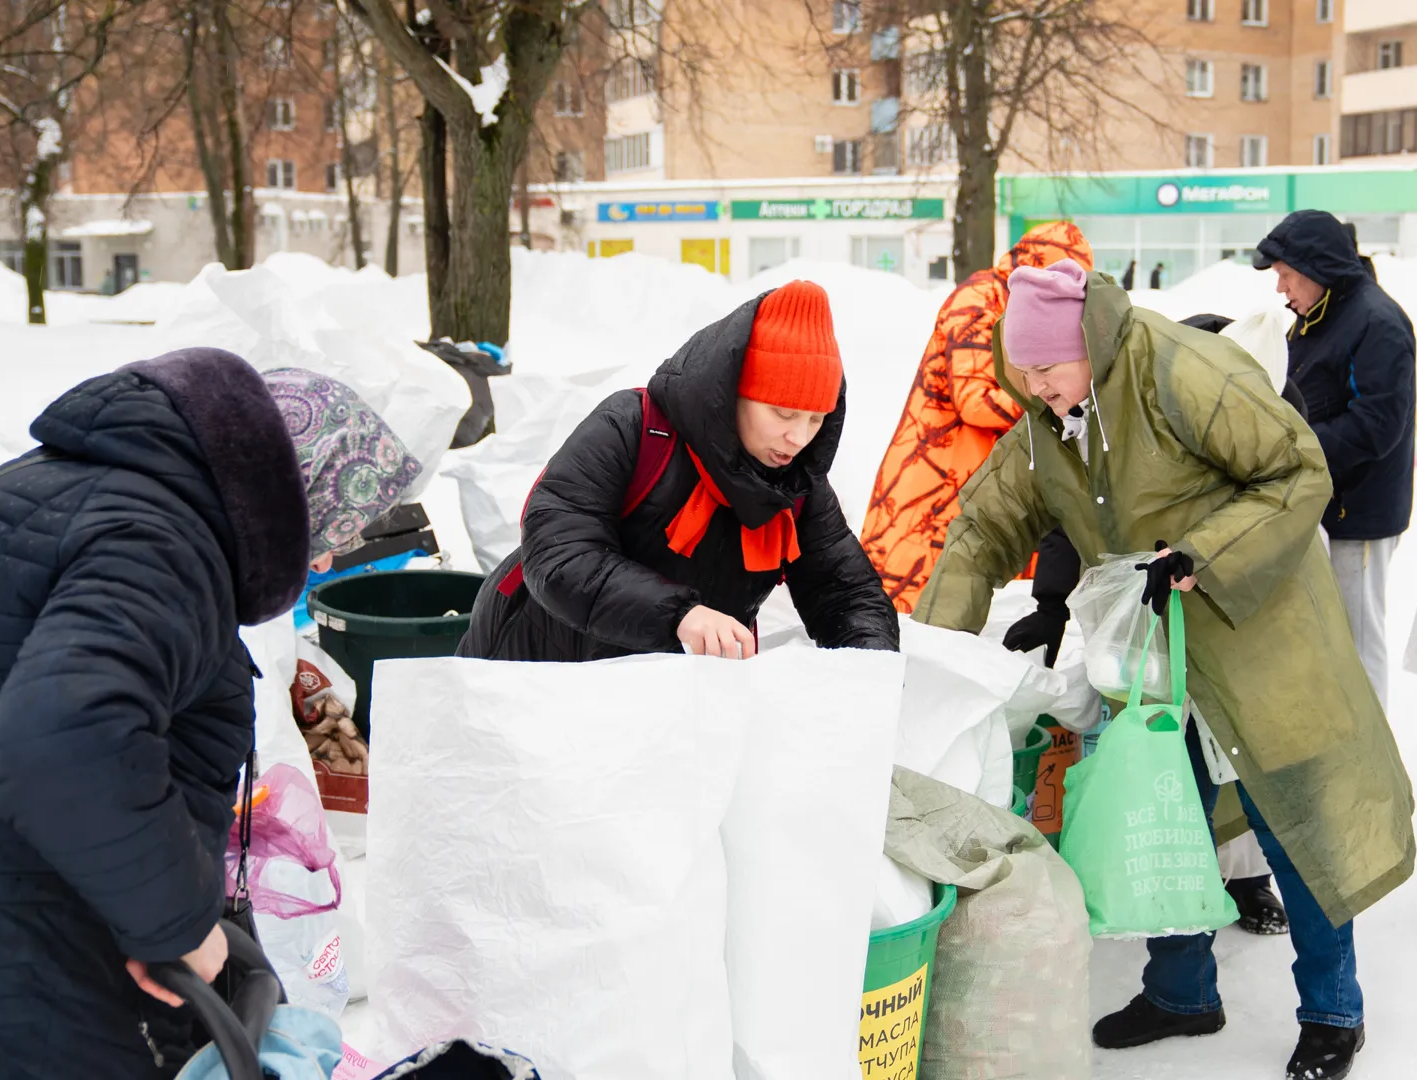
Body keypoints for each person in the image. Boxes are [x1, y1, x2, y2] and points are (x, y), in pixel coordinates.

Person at [0, 352, 421, 1077]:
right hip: (8, 973)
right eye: (334, 523)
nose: (323, 562)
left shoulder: (58, 490)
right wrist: (176, 922)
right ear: (296, 484)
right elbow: (61, 740)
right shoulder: (160, 541)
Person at [913, 259, 1413, 1080]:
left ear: (1091, 344)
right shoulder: (1050, 420)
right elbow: (980, 530)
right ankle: (1182, 994)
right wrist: (933, 658)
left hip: (1259, 628)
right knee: (1161, 815)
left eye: (1047, 369)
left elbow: (1297, 470)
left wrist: (1203, 552)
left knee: (1297, 819)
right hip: (1155, 647)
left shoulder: (1186, 372)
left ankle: (1334, 1012)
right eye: (1023, 371)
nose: (1035, 387)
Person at [998, 311, 1305, 938]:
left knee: (1263, 786)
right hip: (1162, 625)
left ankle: (1249, 885)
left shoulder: (1273, 407)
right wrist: (1053, 600)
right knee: (1169, 775)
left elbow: (1288, 508)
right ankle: (1178, 965)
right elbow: (1075, 510)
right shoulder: (1158, 395)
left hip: (1252, 629)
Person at [459, 280, 899, 662]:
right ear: (732, 394)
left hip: (667, 705)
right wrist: (678, 614)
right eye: (782, 414)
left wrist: (869, 666)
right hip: (539, 672)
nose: (799, 438)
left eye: (815, 419)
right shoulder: (632, 428)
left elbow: (844, 592)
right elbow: (560, 553)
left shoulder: (795, 485)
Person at [860, 222, 1092, 612]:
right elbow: (974, 398)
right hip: (939, 473)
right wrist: (1059, 396)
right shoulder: (979, 299)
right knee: (921, 603)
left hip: (983, 472)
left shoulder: (1014, 302)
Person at [1255, 210, 1416, 710]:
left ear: (1315, 268)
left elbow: (1377, 427)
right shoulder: (1317, 316)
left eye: (1285, 274)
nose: (1281, 289)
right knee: (1331, 638)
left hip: (1358, 514)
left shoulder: (1377, 322)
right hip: (1323, 506)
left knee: (1358, 641)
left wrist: (1294, 451)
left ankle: (1372, 768)